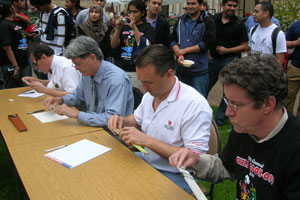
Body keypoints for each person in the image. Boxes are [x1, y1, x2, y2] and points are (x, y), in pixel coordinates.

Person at [169, 53, 300, 199]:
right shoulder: (244, 128)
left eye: (235, 105)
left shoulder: (293, 148)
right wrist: (196, 160)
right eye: (227, 102)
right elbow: (226, 166)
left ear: (267, 104)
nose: (228, 112)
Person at [107, 45, 212, 193]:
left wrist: (147, 141)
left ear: (169, 74)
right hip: (146, 161)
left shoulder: (194, 105)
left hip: (177, 174)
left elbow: (194, 159)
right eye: (141, 80)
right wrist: (121, 120)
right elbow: (137, 119)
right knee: (108, 177)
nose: (144, 87)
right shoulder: (152, 94)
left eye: (149, 82)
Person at [43, 36, 134, 127]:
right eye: (75, 65)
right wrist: (60, 99)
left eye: (78, 65)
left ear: (92, 58)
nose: (77, 69)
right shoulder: (87, 73)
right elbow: (77, 96)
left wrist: (77, 115)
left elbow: (112, 119)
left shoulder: (116, 80)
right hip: (91, 127)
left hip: (112, 132)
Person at [208, 0, 248, 126]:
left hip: (230, 60)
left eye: (234, 6)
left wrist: (227, 50)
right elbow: (207, 37)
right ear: (222, 6)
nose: (232, 8)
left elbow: (245, 46)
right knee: (205, 86)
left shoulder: (239, 23)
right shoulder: (213, 20)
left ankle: (220, 119)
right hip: (213, 60)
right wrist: (209, 54)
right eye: (229, 5)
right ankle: (200, 114)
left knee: (228, 92)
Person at [170, 0, 215, 98]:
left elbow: (208, 43)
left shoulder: (207, 21)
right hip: (181, 69)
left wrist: (184, 51)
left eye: (193, 4)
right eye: (188, 4)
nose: (190, 6)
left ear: (200, 5)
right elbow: (173, 39)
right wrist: (178, 53)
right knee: (180, 100)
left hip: (199, 71)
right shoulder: (181, 20)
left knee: (199, 101)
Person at [111, 0, 155, 92]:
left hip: (137, 71)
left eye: (135, 12)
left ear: (142, 13)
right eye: (130, 12)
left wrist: (134, 27)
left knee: (137, 99)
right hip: (121, 68)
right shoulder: (124, 26)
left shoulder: (148, 28)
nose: (132, 14)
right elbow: (113, 45)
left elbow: (144, 47)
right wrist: (118, 28)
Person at [0, 0, 29, 89]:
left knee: (25, 90)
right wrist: (15, 66)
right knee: (11, 91)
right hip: (12, 65)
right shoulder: (4, 25)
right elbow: (7, 48)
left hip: (23, 62)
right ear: (10, 9)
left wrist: (30, 36)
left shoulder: (14, 23)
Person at [284, 21, 300, 118]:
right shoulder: (296, 25)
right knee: (288, 97)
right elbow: (284, 42)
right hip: (296, 67)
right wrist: (296, 43)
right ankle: (286, 122)